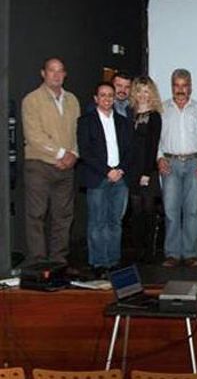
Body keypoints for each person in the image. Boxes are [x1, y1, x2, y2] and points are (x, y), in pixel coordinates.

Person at [21, 57, 80, 267]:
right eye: (52, 70)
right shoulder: (32, 100)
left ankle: (58, 261)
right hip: (39, 166)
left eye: (60, 70)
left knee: (63, 216)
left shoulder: (72, 100)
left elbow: (77, 132)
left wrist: (74, 154)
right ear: (43, 73)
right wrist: (62, 153)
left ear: (65, 74)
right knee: (36, 215)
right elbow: (34, 136)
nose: (56, 75)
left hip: (66, 168)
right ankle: (37, 262)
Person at [77, 82, 132, 278]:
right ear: (96, 98)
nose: (107, 98)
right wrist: (107, 171)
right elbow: (85, 151)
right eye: (103, 95)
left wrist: (120, 169)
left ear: (114, 98)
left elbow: (130, 150)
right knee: (97, 223)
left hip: (120, 178)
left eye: (110, 95)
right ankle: (99, 263)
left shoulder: (124, 122)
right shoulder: (86, 121)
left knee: (115, 222)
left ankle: (113, 261)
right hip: (97, 177)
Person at [157, 68, 197, 268]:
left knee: (192, 211)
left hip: (194, 163)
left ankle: (190, 253)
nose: (180, 89)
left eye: (184, 85)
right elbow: (156, 138)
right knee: (171, 211)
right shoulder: (162, 110)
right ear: (172, 87)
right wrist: (159, 158)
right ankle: (172, 254)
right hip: (169, 163)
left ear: (190, 87)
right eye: (176, 85)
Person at [127, 76, 163, 264]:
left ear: (152, 94)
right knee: (135, 212)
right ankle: (137, 250)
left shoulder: (154, 116)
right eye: (139, 90)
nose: (142, 95)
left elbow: (153, 146)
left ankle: (150, 251)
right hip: (131, 170)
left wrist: (147, 173)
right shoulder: (129, 113)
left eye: (146, 91)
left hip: (147, 169)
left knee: (148, 210)